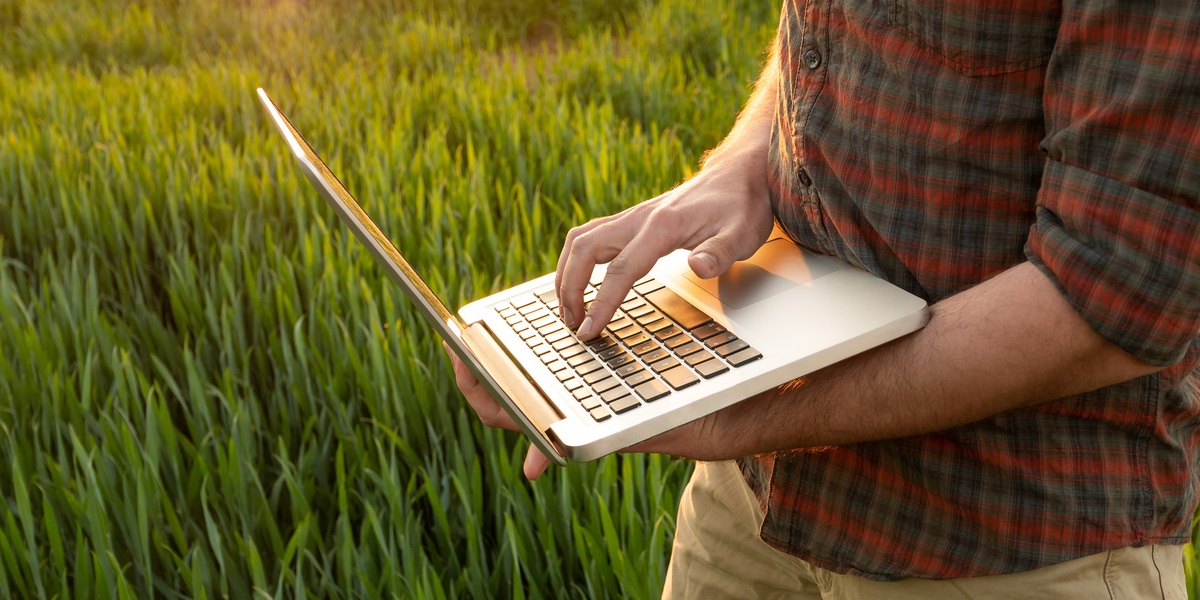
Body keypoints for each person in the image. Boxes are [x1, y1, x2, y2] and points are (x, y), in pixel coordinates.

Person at [448, 1, 1200, 597]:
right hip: (753, 506)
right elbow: (828, 31)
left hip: (997, 539)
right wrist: (744, 160)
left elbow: (1110, 299)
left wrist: (732, 414)